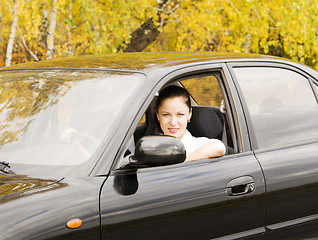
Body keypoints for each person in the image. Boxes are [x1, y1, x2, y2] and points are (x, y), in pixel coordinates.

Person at [156, 85, 226, 162]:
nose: (173, 123)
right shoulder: (152, 145)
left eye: (180, 114)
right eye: (166, 115)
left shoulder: (194, 145)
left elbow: (219, 147)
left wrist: (184, 162)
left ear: (189, 114)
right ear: (158, 115)